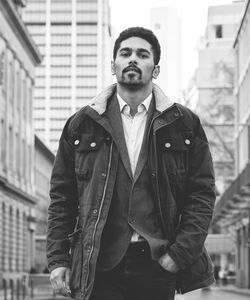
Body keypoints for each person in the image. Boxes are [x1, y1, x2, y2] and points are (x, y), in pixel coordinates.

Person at [47, 27, 216, 300]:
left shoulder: (184, 124)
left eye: (142, 54)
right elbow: (62, 198)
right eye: (125, 53)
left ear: (156, 69)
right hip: (98, 262)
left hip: (158, 264)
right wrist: (58, 260)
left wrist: (179, 254)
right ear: (113, 65)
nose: (132, 59)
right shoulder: (82, 124)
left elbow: (202, 195)